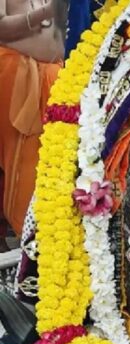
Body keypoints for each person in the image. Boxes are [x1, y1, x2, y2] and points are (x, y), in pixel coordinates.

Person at [0, 0, 66, 252]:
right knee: (24, 161)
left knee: (51, 159)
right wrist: (46, 12)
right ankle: (23, 235)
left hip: (53, 76)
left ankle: (45, 232)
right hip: (17, 78)